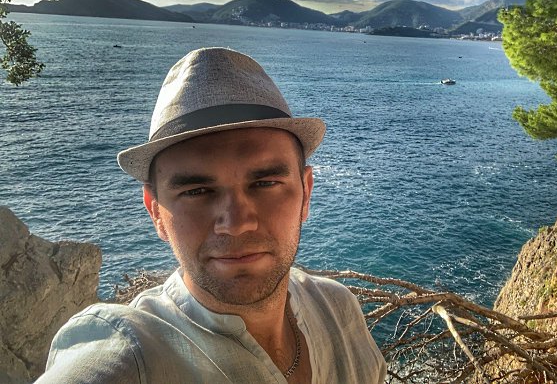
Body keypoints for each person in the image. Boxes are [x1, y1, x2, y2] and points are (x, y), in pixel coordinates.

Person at [37, 47, 387, 383]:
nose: (236, 223)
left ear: (306, 193)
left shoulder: (337, 309)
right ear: (156, 212)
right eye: (196, 191)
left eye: (265, 183)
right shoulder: (132, 352)